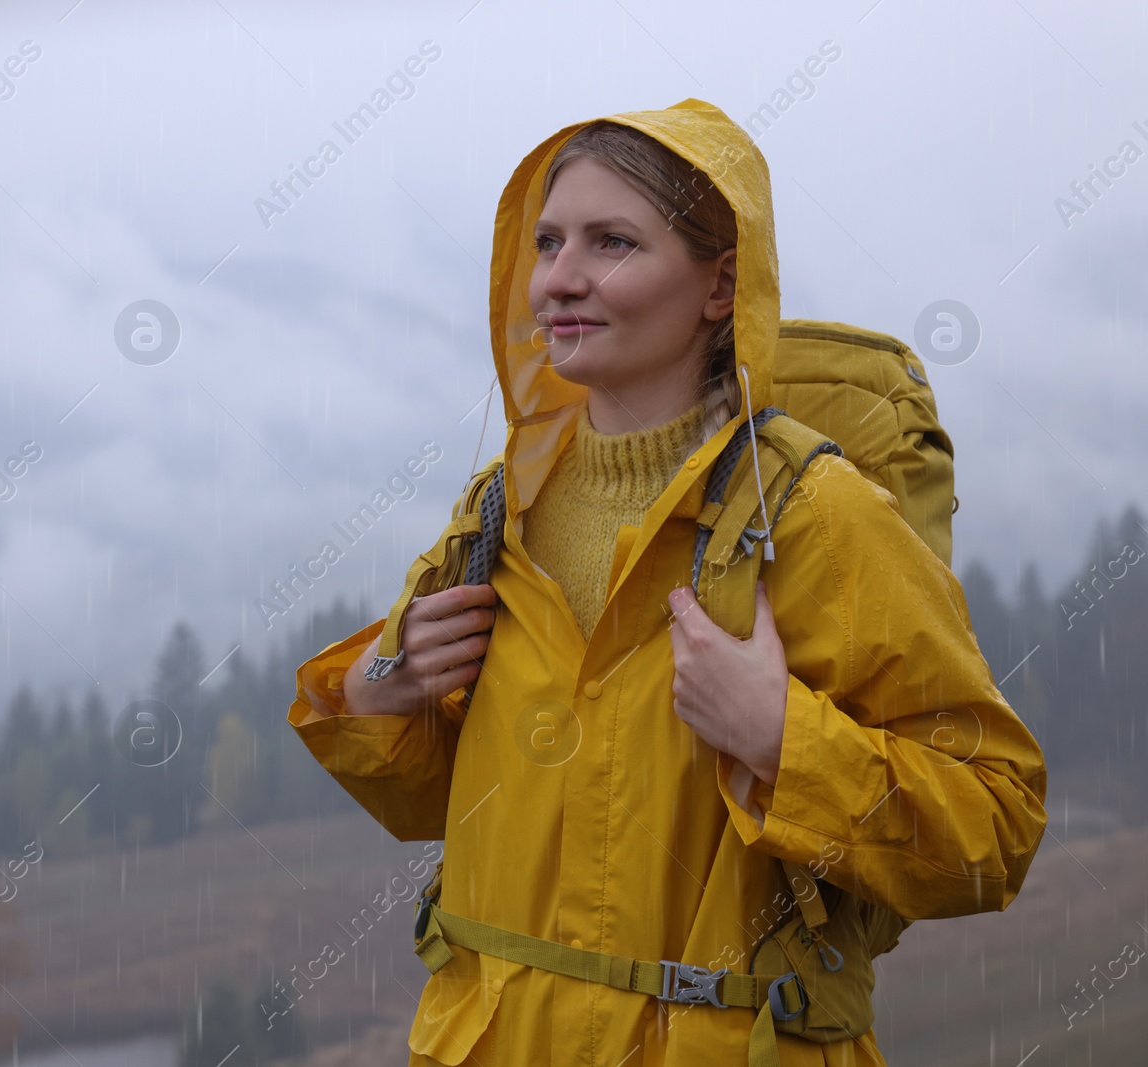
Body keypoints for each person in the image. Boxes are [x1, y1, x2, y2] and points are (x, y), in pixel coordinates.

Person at [286, 98, 1047, 1065]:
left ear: (722, 282)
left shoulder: (817, 514)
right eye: (549, 241)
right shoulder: (499, 509)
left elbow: (996, 826)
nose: (559, 280)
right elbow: (451, 807)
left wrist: (785, 741)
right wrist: (375, 697)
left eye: (612, 243)